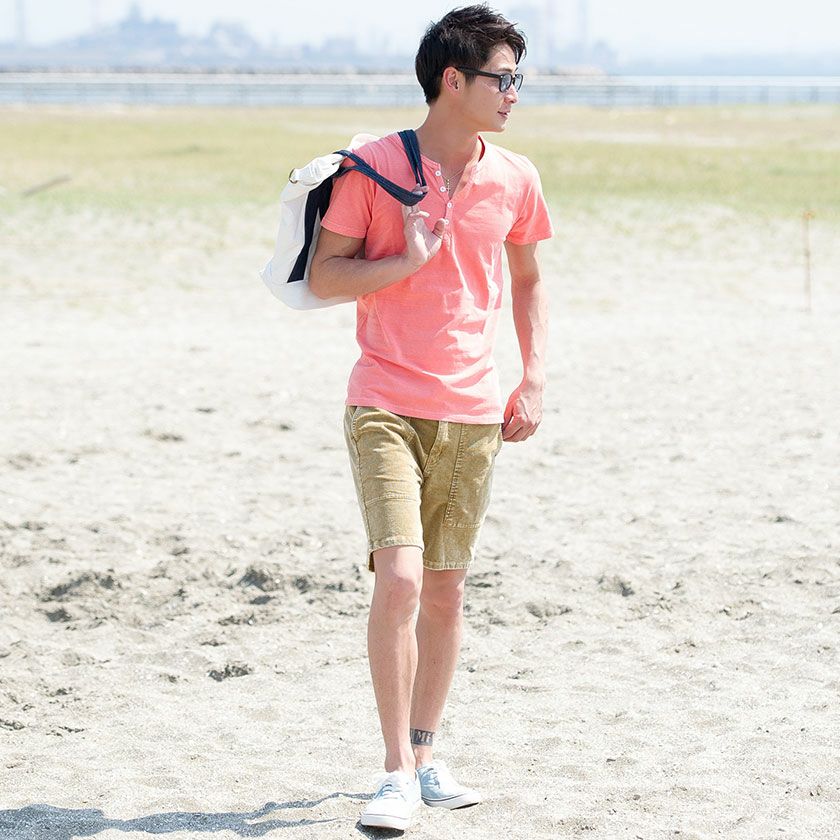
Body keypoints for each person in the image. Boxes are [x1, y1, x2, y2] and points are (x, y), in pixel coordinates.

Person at [308, 3, 553, 831]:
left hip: (475, 410)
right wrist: (404, 260)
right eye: (503, 78)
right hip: (383, 400)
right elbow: (324, 277)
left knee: (445, 591)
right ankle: (392, 773)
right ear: (453, 79)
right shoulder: (375, 168)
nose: (514, 92)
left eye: (518, 78)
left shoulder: (515, 176)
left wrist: (534, 379)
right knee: (403, 578)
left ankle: (424, 753)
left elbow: (528, 281)